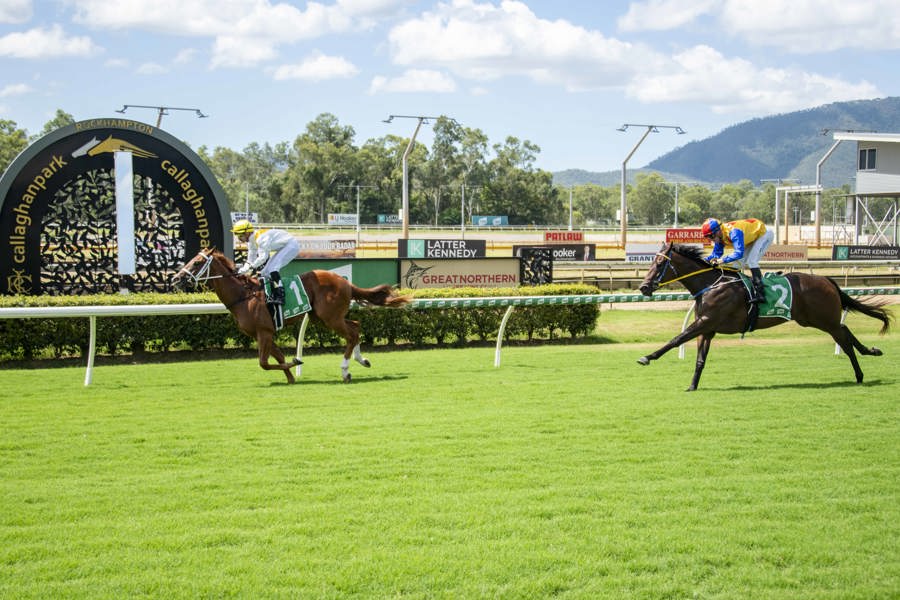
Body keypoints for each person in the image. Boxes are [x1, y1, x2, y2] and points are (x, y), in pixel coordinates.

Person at [701, 217, 774, 303]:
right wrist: (701, 260)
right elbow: (716, 255)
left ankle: (761, 294)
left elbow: (739, 253)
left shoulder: (733, 232)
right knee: (737, 264)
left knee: (751, 261)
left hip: (763, 233)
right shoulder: (720, 235)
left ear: (718, 230)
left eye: (711, 236)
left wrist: (722, 260)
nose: (710, 239)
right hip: (752, 236)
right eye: (707, 237)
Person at [230, 219, 300, 306]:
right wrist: (242, 270)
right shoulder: (251, 242)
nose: (239, 238)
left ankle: (280, 296)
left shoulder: (261, 238)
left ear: (247, 233)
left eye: (240, 235)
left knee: (273, 269)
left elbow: (263, 258)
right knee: (265, 272)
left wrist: (250, 267)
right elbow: (250, 259)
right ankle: (270, 295)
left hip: (291, 245)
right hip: (284, 247)